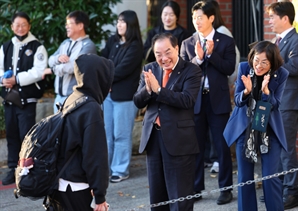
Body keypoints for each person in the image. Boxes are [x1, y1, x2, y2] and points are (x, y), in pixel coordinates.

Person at [134, 32, 202, 211]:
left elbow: (187, 100)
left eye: (168, 52)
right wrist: (148, 91)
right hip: (153, 138)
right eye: (158, 54)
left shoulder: (191, 70)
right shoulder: (150, 69)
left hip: (179, 140)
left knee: (180, 198)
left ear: (177, 48)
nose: (163, 58)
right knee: (157, 197)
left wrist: (158, 90)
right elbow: (138, 101)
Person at [180, 1, 235, 205]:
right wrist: (199, 59)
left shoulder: (225, 41)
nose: (196, 21)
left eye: (200, 17)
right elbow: (183, 72)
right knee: (195, 147)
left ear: (211, 18)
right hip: (195, 101)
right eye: (194, 18)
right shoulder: (187, 43)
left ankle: (226, 188)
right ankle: (195, 189)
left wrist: (211, 55)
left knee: (222, 146)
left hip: (218, 100)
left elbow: (229, 68)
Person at [224, 40, 288, 211]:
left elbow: (276, 104)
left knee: (270, 177)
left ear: (272, 63)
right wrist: (246, 91)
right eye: (256, 60)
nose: (258, 66)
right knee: (245, 178)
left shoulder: (281, 74)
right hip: (245, 129)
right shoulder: (245, 68)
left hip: (269, 129)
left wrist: (267, 93)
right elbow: (237, 101)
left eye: (264, 62)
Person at [48, 54, 113, 211]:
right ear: (97, 78)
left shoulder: (72, 98)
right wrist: (100, 196)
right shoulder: (91, 108)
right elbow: (95, 155)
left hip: (60, 182)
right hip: (76, 187)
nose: (109, 87)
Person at [0, 12, 48, 185]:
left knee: (27, 136)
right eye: (17, 25)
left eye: (24, 24)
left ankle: (27, 171)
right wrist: (3, 80)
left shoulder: (37, 47)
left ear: (29, 26)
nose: (20, 28)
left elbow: (39, 71)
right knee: (12, 135)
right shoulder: (5, 46)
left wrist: (17, 79)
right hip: (9, 99)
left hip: (27, 100)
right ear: (12, 26)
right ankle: (13, 169)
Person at [100, 10, 143, 183]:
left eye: (122, 22)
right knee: (106, 134)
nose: (118, 25)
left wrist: (106, 76)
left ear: (131, 25)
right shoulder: (113, 41)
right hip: (108, 95)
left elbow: (122, 70)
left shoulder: (135, 46)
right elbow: (103, 60)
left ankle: (120, 169)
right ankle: (106, 168)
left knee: (121, 134)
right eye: (118, 21)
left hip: (124, 97)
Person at [266, 2, 298, 209]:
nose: (269, 21)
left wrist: (271, 63)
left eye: (272, 17)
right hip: (275, 102)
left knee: (286, 147)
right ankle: (277, 189)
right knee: (275, 146)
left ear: (284, 18)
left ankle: (292, 191)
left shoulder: (295, 40)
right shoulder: (277, 41)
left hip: (288, 101)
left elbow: (294, 67)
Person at [43, 10, 96, 113]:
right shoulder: (65, 43)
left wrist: (53, 70)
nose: (66, 26)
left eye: (69, 24)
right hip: (59, 98)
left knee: (72, 129)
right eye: (66, 24)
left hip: (75, 98)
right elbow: (50, 60)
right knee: (59, 129)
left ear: (80, 25)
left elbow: (74, 67)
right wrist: (58, 58)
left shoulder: (88, 45)